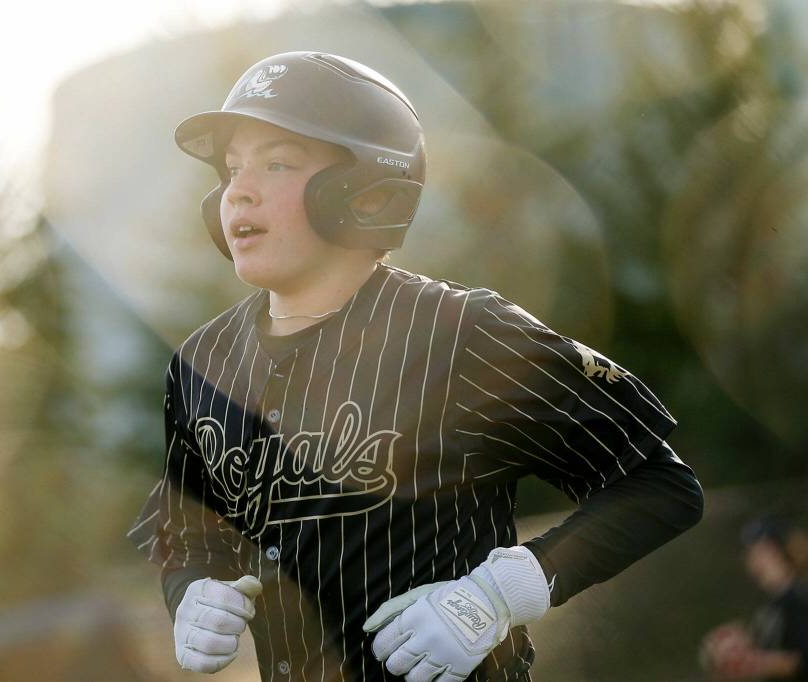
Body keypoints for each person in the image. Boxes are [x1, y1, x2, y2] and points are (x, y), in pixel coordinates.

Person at [128, 51, 704, 681]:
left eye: (278, 163)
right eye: (232, 168)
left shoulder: (464, 334)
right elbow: (189, 538)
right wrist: (189, 593)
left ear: (366, 188)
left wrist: (499, 595)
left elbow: (659, 486)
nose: (238, 188)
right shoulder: (201, 365)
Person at [700, 516, 808, 681]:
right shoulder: (771, 609)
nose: (754, 559)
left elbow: (799, 660)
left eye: (763, 550)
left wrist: (757, 663)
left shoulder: (797, 597)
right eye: (751, 553)